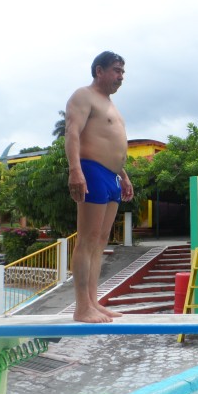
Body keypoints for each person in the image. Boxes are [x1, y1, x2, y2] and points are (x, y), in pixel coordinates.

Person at [65, 51, 134, 323]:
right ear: (99, 71)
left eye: (122, 72)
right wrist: (75, 171)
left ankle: (93, 302)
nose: (121, 76)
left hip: (112, 176)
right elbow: (72, 133)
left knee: (100, 241)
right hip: (90, 170)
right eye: (116, 70)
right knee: (87, 239)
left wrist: (124, 175)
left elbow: (110, 143)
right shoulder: (83, 96)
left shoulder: (110, 104)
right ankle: (82, 307)